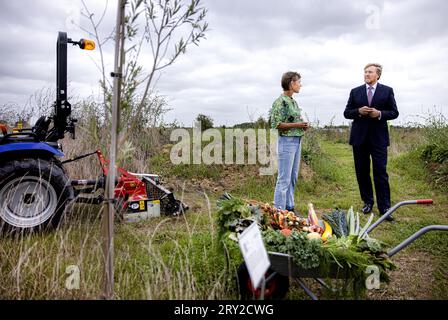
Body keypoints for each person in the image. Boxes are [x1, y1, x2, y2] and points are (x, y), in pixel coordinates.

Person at [344, 63, 399, 221]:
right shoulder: (355, 92)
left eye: (370, 72)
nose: (366, 74)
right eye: (365, 72)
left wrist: (380, 113)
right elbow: (347, 112)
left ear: (378, 75)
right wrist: (358, 112)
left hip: (379, 139)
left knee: (380, 172)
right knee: (362, 172)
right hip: (359, 139)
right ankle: (367, 202)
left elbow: (394, 112)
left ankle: (385, 207)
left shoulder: (387, 91)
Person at [270, 71, 309, 213]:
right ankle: (279, 212)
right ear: (291, 83)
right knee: (284, 179)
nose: (300, 85)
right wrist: (298, 125)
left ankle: (289, 208)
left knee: (292, 177)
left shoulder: (293, 101)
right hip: (287, 142)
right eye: (298, 82)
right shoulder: (280, 102)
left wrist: (302, 127)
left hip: (297, 141)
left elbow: (293, 122)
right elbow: (276, 124)